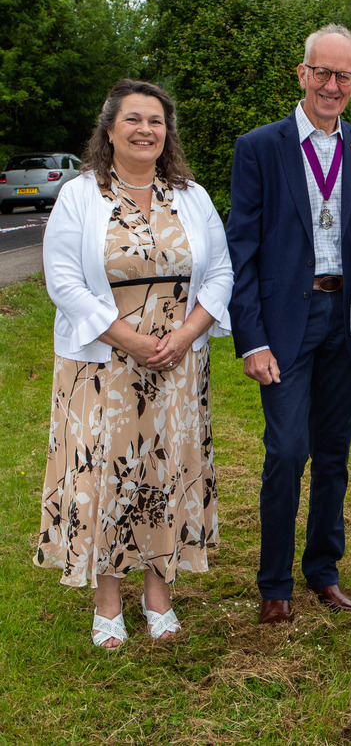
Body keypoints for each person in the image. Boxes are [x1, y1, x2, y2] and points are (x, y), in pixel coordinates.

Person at [35, 79, 233, 649]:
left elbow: (220, 272)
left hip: (177, 365)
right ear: (110, 130)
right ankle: (106, 599)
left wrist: (188, 333)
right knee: (106, 477)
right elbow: (64, 280)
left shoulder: (190, 195)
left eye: (156, 121)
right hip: (104, 367)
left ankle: (159, 594)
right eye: (134, 120)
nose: (146, 130)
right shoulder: (80, 195)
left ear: (166, 133)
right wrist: (130, 339)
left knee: (164, 475)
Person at [226, 24, 351, 625]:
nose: (332, 85)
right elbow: (240, 249)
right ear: (302, 73)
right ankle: (274, 582)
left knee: (335, 455)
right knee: (287, 451)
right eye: (322, 71)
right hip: (285, 323)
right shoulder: (260, 147)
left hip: (346, 320)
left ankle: (323, 572)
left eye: (344, 75)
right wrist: (252, 338)